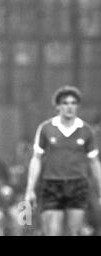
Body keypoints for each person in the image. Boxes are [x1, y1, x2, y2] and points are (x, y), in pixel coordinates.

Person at [25, 86, 101, 235]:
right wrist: (30, 189)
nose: (69, 107)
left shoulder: (86, 131)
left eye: (73, 103)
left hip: (77, 184)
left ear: (77, 106)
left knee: (75, 231)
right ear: (58, 106)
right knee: (53, 231)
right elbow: (36, 159)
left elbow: (94, 162)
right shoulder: (46, 129)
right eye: (65, 103)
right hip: (52, 184)